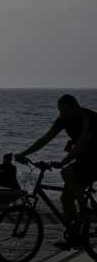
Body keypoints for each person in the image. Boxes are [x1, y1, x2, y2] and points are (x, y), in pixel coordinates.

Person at [16, 94, 97, 250]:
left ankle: (85, 209)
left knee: (66, 172)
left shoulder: (87, 118)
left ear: (75, 108)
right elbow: (45, 139)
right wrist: (24, 153)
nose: (61, 114)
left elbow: (80, 144)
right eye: (59, 110)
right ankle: (75, 235)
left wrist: (62, 162)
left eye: (64, 110)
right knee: (65, 198)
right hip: (86, 159)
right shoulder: (63, 120)